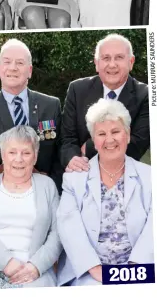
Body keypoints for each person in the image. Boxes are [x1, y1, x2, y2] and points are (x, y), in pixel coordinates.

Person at [57, 99, 153, 286]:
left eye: (116, 131)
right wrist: (96, 270)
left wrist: (131, 270)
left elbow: (153, 229)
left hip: (139, 269)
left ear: (127, 134)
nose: (109, 140)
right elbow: (69, 228)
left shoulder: (149, 176)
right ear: (94, 140)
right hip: (89, 272)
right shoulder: (74, 179)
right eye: (101, 133)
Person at [0, 126, 61, 290]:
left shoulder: (47, 185)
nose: (18, 159)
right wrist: (7, 261)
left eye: (26, 153)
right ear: (3, 156)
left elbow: (57, 233)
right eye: (12, 152)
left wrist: (36, 266)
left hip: (33, 271)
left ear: (35, 157)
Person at [0, 39, 63, 191]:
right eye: (7, 62)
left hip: (46, 190)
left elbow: (60, 151)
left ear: (30, 71)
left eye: (20, 63)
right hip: (3, 191)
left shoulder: (51, 105)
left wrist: (51, 185)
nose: (13, 68)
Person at [60, 34, 149, 172]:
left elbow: (137, 144)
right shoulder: (77, 89)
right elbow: (67, 138)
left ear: (131, 62)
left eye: (119, 57)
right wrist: (73, 158)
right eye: (106, 58)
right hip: (80, 172)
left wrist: (88, 148)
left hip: (124, 173)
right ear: (96, 63)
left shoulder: (146, 95)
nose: (112, 64)